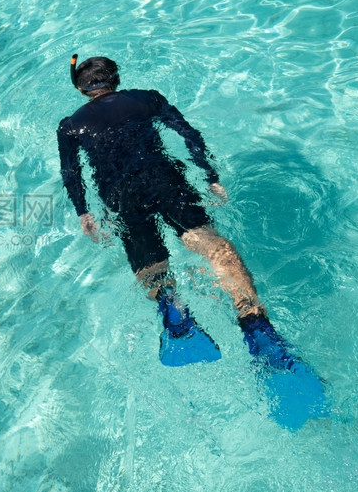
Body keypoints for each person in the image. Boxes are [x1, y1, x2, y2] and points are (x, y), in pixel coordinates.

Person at [56, 55, 312, 375]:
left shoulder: (70, 126)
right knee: (209, 243)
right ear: (116, 79)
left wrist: (84, 213)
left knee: (153, 268)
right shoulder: (147, 99)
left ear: (82, 90)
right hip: (166, 183)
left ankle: (173, 310)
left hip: (122, 199)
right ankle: (254, 321)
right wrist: (210, 176)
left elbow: (72, 173)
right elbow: (188, 133)